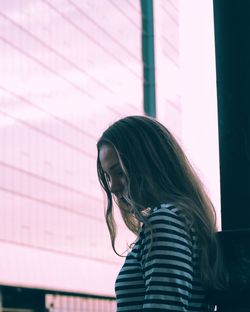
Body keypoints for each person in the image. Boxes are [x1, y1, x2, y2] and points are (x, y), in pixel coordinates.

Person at [96, 115, 226, 311]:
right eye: (108, 176)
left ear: (147, 164)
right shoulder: (179, 218)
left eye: (119, 171)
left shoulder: (165, 220)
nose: (112, 186)